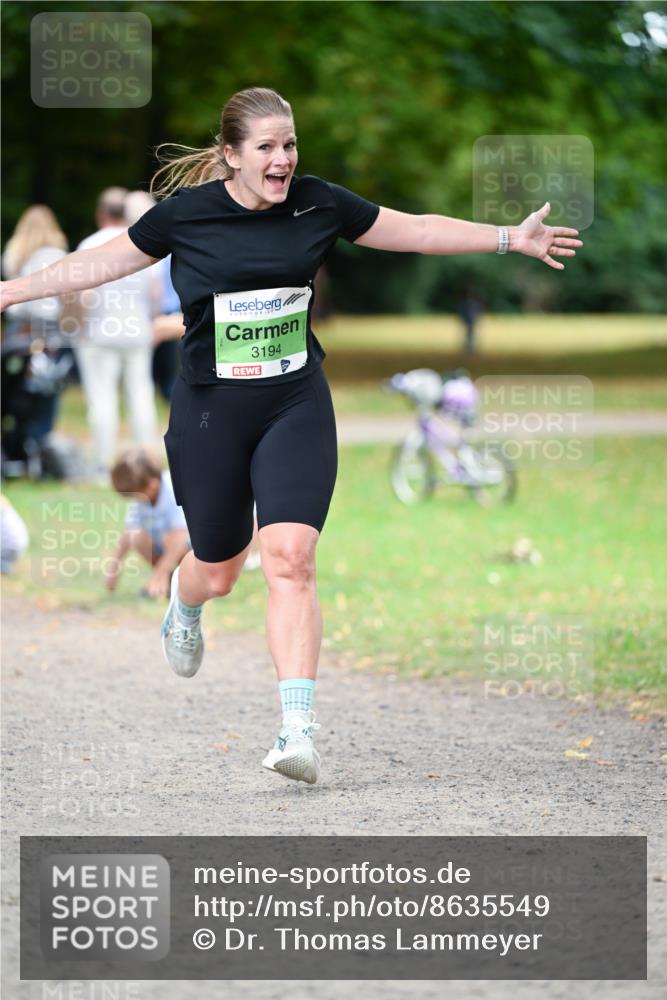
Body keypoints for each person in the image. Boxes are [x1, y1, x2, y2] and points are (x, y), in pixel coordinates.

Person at [0, 87, 583, 785]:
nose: (283, 160)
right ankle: (183, 604)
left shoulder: (318, 202)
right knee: (218, 565)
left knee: (290, 556)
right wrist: (9, 293)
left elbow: (416, 229)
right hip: (212, 408)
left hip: (293, 400)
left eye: (290, 145)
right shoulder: (186, 216)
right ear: (231, 156)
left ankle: (296, 731)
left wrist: (507, 237)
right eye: (267, 148)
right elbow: (101, 264)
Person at [73, 188, 158, 482]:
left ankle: (102, 464)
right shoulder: (142, 241)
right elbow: (156, 293)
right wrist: (151, 322)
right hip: (137, 329)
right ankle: (148, 460)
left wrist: (80, 327)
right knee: (141, 394)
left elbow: (84, 294)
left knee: (102, 398)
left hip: (100, 331)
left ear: (101, 214)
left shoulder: (90, 244)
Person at [105, 447, 191, 599]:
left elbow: (181, 536)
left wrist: (160, 572)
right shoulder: (143, 496)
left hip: (194, 548)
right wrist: (114, 566)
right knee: (135, 535)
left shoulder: (173, 490)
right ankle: (170, 581)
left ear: (152, 486)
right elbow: (129, 531)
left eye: (136, 496)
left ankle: (177, 579)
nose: (135, 501)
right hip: (168, 549)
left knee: (170, 538)